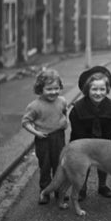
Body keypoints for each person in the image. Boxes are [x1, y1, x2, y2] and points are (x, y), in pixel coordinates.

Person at [69, 66, 111, 201]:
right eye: (94, 89)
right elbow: (77, 131)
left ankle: (102, 185)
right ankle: (82, 187)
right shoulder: (78, 108)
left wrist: (104, 143)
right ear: (87, 90)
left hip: (103, 141)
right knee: (83, 165)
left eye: (102, 89)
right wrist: (88, 147)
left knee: (104, 162)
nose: (98, 93)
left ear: (107, 90)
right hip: (83, 142)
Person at [22, 68, 68, 204]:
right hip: (44, 139)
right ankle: (45, 192)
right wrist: (36, 133)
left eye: (56, 88)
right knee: (45, 167)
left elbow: (64, 112)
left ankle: (59, 190)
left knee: (59, 165)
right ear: (40, 89)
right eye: (49, 89)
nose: (53, 92)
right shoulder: (34, 106)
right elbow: (25, 122)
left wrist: (65, 122)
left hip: (59, 137)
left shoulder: (62, 101)